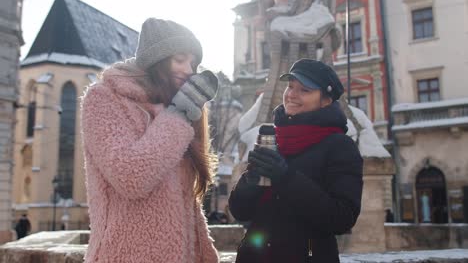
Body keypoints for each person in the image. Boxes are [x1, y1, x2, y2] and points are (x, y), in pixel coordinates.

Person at [80, 18, 219, 262]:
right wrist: (177, 115)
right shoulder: (103, 99)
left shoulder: (173, 108)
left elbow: (188, 206)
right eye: (180, 59)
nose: (189, 69)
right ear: (157, 60)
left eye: (193, 63)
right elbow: (130, 176)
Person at [229, 59, 364, 263]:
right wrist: (250, 181)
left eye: (304, 90)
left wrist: (285, 178)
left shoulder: (340, 146)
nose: (291, 94)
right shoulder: (273, 139)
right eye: (290, 86)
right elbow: (240, 211)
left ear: (326, 100)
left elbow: (342, 218)